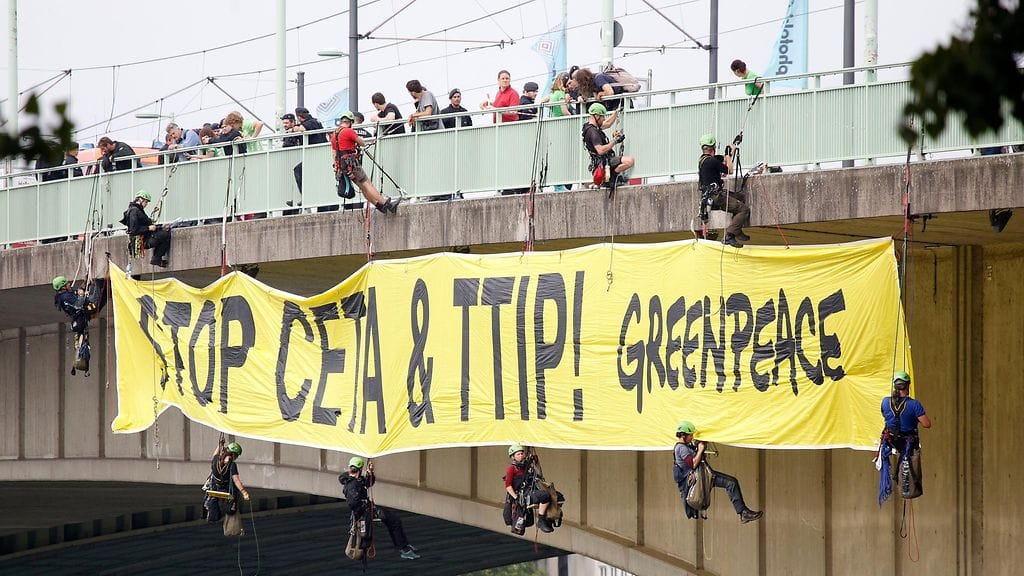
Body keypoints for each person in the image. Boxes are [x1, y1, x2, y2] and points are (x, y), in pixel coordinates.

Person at [673, 421, 763, 523]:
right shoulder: (681, 448)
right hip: (699, 480)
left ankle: (743, 513)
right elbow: (693, 464)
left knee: (731, 483)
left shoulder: (685, 446)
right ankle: (743, 513)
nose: (692, 437)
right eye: (690, 435)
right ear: (683, 435)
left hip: (703, 477)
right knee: (731, 482)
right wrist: (700, 450)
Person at [339, 457, 420, 560]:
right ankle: (403, 548)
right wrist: (367, 508)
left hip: (366, 510)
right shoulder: (352, 484)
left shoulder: (355, 480)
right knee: (394, 521)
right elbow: (353, 503)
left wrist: (370, 473)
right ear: (360, 469)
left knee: (394, 520)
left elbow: (368, 483)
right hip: (365, 512)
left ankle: (404, 546)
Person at [330, 111, 401, 214]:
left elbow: (334, 153)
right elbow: (362, 142)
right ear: (350, 122)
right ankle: (387, 204)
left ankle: (378, 205)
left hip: (343, 166)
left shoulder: (334, 134)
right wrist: (357, 144)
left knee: (363, 187)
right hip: (352, 164)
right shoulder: (348, 131)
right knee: (368, 184)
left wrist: (336, 168)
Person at [880, 371, 930, 498]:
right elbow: (926, 424)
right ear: (908, 386)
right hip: (909, 447)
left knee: (897, 474)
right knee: (911, 474)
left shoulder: (885, 402)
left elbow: (886, 417)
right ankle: (911, 490)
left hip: (892, 446)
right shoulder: (914, 405)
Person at [698, 133, 750, 247]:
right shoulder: (712, 162)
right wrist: (728, 156)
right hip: (717, 197)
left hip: (713, 195)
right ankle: (729, 235)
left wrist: (733, 145)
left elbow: (724, 157)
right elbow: (729, 170)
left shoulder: (704, 160)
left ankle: (736, 229)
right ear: (713, 147)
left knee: (741, 197)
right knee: (744, 210)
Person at [503, 444, 555, 534]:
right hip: (523, 495)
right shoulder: (512, 469)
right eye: (518, 454)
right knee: (545, 496)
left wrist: (535, 461)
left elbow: (537, 473)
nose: (521, 455)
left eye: (522, 453)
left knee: (557, 496)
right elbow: (508, 486)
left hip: (530, 491)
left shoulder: (527, 465)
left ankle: (546, 519)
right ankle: (541, 520)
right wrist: (516, 498)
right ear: (513, 457)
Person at [582, 103, 634, 189]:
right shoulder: (593, 132)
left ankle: (611, 178)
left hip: (604, 161)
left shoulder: (590, 127)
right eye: (602, 117)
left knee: (627, 160)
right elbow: (600, 150)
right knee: (629, 161)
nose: (604, 119)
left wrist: (616, 113)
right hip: (604, 162)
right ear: (597, 116)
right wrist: (615, 141)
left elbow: (607, 123)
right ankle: (612, 178)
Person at [120, 190, 173, 267]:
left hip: (144, 238)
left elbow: (146, 225)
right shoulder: (134, 211)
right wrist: (149, 228)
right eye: (146, 202)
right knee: (166, 234)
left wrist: (160, 227)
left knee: (164, 230)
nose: (146, 204)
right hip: (142, 240)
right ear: (140, 200)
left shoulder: (137, 210)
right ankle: (156, 258)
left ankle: (156, 258)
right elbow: (134, 230)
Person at [204, 439, 250, 524]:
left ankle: (216, 511)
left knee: (214, 514)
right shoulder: (232, 465)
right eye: (236, 456)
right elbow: (236, 480)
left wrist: (220, 445)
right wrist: (244, 492)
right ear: (233, 454)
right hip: (226, 491)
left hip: (214, 489)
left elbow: (215, 454)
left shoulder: (216, 460)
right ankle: (230, 509)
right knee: (231, 509)